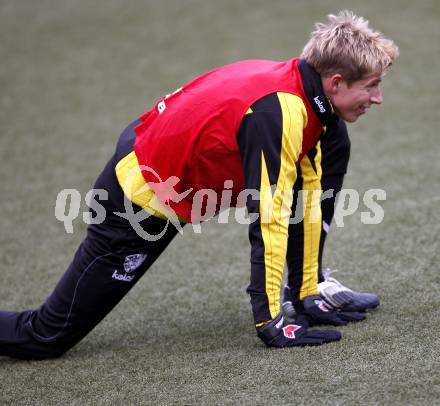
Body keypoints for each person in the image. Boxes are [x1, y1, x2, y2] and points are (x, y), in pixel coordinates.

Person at [0, 10, 398, 358]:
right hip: (135, 197)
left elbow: (310, 196)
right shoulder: (278, 113)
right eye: (371, 85)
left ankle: (308, 288)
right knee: (46, 336)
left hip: (162, 159)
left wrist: (306, 291)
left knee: (333, 146)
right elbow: (270, 218)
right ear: (336, 81)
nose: (378, 98)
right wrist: (271, 321)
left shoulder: (315, 106)